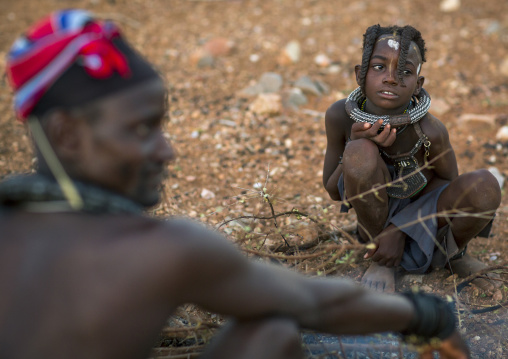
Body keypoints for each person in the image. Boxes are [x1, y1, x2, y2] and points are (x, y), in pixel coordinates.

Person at [1, 11, 470, 359]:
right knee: (275, 334)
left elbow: (446, 181)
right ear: (65, 134)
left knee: (271, 336)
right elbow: (309, 299)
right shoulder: (159, 250)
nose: (167, 151)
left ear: (418, 80)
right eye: (141, 129)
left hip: (407, 225)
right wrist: (426, 316)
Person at [323, 24, 502, 294]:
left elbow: (448, 182)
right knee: (360, 153)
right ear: (360, 74)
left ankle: (452, 255)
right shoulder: (340, 116)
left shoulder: (430, 130)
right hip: (373, 222)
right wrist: (357, 143)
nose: (391, 78)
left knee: (485, 185)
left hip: (422, 222)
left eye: (405, 72)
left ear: (418, 84)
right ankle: (380, 258)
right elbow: (332, 190)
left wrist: (400, 228)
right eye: (379, 67)